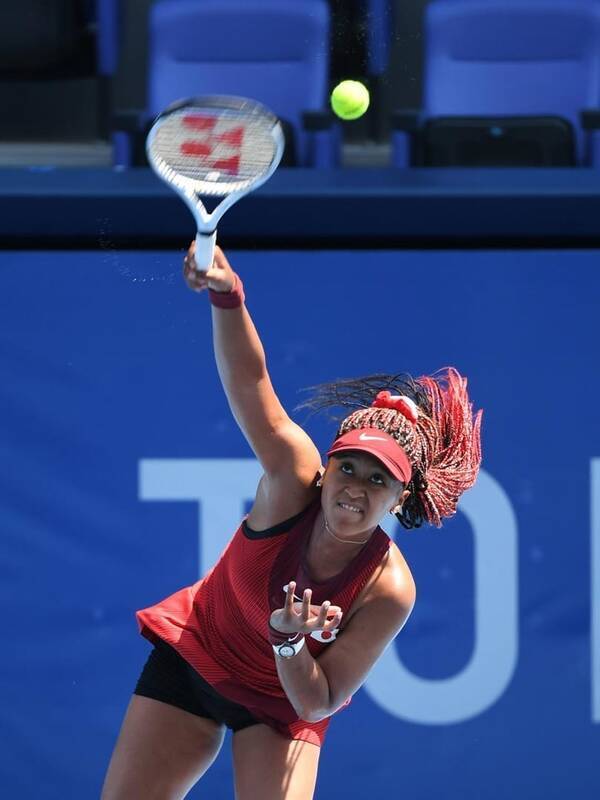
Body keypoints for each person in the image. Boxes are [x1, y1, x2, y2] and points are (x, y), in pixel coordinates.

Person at [101, 244, 482, 800]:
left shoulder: (389, 589)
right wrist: (228, 299)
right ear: (326, 469)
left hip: (282, 707)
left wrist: (287, 643)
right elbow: (252, 387)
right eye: (348, 465)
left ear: (400, 499)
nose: (355, 486)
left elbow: (317, 701)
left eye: (378, 480)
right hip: (196, 656)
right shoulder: (290, 482)